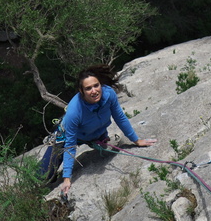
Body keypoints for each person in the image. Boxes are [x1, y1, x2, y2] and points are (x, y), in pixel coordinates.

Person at [40, 65, 156, 195]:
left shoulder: (108, 94)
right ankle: (51, 174)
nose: (94, 91)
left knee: (104, 146)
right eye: (88, 88)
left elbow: (120, 118)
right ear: (81, 91)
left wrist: (136, 140)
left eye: (96, 85)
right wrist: (67, 178)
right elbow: (70, 145)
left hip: (96, 133)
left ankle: (99, 138)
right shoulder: (74, 111)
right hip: (68, 136)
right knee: (43, 176)